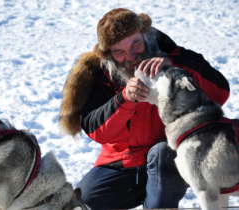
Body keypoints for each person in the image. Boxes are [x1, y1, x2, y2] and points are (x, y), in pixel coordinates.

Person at [59, 8, 230, 210]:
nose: (131, 57)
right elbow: (96, 131)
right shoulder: (100, 74)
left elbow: (220, 93)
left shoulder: (174, 56)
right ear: (108, 53)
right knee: (82, 204)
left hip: (170, 157)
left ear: (145, 36)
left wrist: (174, 67)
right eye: (119, 52)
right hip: (121, 162)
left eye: (136, 44)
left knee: (160, 154)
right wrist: (124, 100)